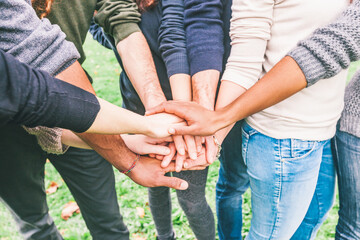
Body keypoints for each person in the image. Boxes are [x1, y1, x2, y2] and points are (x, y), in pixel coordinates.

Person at [149, 0, 350, 239]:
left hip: (325, 125)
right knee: (255, 215)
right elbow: (241, 60)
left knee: (312, 216)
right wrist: (213, 131)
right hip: (284, 134)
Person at [0, 1, 189, 240]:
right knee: (35, 226)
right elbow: (36, 64)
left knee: (109, 225)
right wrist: (128, 148)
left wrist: (152, 109)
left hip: (75, 97)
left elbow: (120, 18)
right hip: (11, 125)